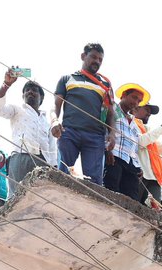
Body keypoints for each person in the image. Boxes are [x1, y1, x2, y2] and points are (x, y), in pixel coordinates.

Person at [53, 43, 114, 184]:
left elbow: (111, 113)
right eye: (93, 57)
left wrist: (112, 134)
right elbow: (55, 106)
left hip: (95, 137)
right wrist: (54, 121)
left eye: (100, 59)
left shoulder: (105, 85)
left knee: (94, 183)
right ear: (83, 56)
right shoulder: (67, 79)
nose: (97, 62)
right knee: (63, 176)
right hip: (69, 132)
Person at [0, 70, 58, 194]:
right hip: (21, 158)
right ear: (23, 96)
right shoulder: (17, 110)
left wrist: (54, 168)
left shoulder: (46, 122)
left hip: (43, 162)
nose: (30, 92)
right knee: (17, 198)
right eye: (27, 90)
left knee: (42, 199)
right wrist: (6, 84)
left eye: (34, 90)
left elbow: (52, 149)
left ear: (41, 97)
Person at [103, 83, 145, 199]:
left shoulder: (135, 124)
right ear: (124, 95)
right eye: (134, 97)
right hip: (114, 157)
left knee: (132, 197)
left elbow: (134, 147)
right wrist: (107, 150)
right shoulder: (113, 109)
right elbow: (103, 130)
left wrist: (138, 165)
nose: (136, 103)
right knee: (111, 192)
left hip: (130, 163)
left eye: (139, 101)